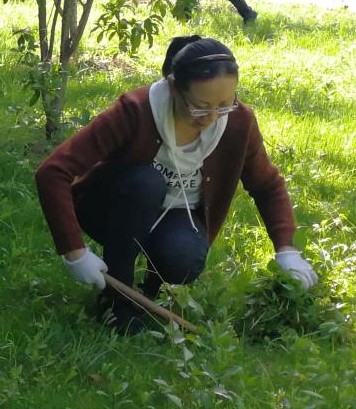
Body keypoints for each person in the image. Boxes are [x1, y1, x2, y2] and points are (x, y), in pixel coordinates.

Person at [34, 36, 317, 332]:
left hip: (177, 214)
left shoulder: (238, 122)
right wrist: (74, 252)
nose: (211, 118)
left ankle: (151, 291)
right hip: (114, 206)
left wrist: (287, 250)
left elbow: (267, 185)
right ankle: (116, 299)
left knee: (184, 258)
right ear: (173, 87)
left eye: (224, 105)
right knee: (146, 183)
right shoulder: (136, 110)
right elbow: (53, 171)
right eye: (199, 107)